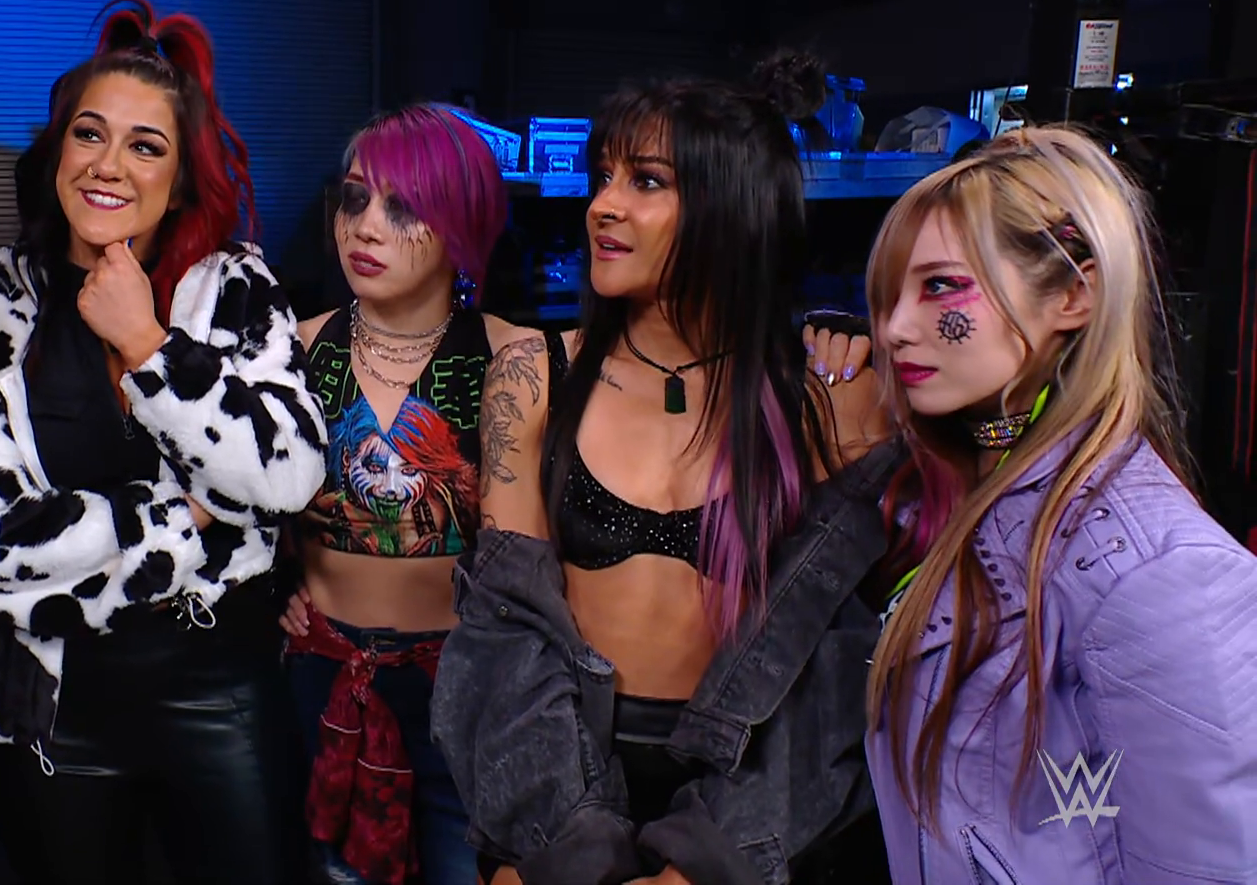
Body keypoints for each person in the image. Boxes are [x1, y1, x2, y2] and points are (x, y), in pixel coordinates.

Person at [430, 53, 896, 885]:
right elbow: (507, 629)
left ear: (730, 204)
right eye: (603, 177)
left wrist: (700, 866)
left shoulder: (818, 398)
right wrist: (546, 849)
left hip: (746, 798)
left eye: (646, 181)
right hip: (555, 777)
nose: (602, 205)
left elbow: (825, 667)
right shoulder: (536, 375)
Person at [0, 0, 327, 885]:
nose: (109, 166)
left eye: (146, 147)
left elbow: (288, 474)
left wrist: (148, 346)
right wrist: (175, 520)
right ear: (57, 152)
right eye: (89, 135)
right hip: (44, 700)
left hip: (216, 683)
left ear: (180, 180)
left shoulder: (232, 289)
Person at [862, 127, 1257, 883]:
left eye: (940, 287)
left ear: (1074, 294)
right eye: (890, 296)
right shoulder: (970, 483)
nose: (895, 329)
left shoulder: (1159, 575)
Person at [275, 104, 530, 885]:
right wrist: (277, 591)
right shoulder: (295, 346)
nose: (366, 226)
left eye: (404, 206)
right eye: (355, 198)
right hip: (324, 673)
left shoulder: (514, 356)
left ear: (463, 223)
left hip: (463, 685)